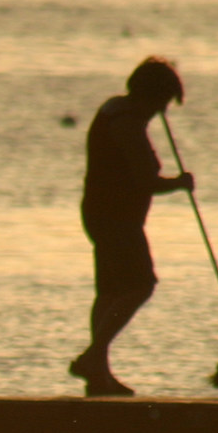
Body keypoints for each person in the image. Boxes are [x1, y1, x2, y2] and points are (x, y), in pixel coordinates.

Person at [71, 57, 196, 397]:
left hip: (102, 213)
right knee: (141, 285)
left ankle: (99, 375)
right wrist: (180, 183)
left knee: (110, 292)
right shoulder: (127, 124)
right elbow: (145, 181)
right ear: (152, 96)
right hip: (116, 217)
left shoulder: (114, 111)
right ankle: (93, 357)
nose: (162, 112)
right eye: (163, 103)